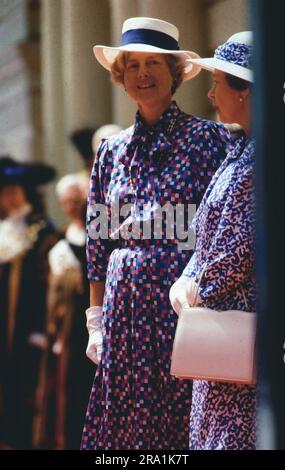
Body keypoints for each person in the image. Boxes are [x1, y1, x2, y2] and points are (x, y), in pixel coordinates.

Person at [81, 17, 231, 450]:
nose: (142, 74)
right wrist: (95, 322)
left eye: (153, 64)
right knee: (127, 430)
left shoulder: (211, 139)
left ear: (175, 72)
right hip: (123, 308)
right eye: (132, 66)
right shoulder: (111, 151)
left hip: (183, 306)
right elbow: (99, 242)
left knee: (183, 419)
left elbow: (222, 227)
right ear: (121, 76)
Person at [169, 32, 256, 450]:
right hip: (218, 337)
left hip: (242, 333)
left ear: (243, 92)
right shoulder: (240, 150)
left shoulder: (262, 158)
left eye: (219, 82)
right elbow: (207, 235)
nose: (210, 92)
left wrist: (196, 287)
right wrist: (186, 279)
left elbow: (238, 248)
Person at [0, 156, 60, 449]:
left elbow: (49, 285)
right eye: (4, 193)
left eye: (14, 191)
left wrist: (43, 328)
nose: (8, 198)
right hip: (3, 332)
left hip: (28, 331)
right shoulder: (3, 231)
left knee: (26, 391)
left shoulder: (42, 233)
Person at [35, 173, 94, 449]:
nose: (71, 205)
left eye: (75, 198)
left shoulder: (99, 235)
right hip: (71, 332)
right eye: (66, 201)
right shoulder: (57, 244)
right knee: (70, 391)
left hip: (95, 322)